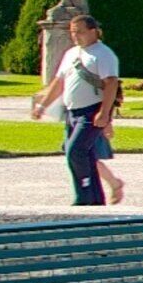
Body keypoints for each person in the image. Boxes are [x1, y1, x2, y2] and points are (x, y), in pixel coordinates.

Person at [27, 13, 126, 207]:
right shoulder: (71, 54)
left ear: (93, 31)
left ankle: (83, 195)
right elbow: (59, 82)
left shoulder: (103, 54)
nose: (75, 36)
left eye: (80, 32)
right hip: (72, 111)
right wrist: (42, 105)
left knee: (76, 151)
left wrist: (104, 113)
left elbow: (111, 84)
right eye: (73, 32)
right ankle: (94, 198)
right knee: (82, 154)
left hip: (92, 110)